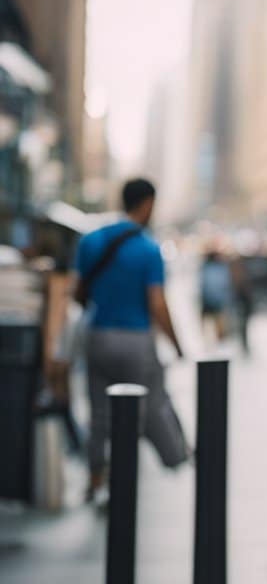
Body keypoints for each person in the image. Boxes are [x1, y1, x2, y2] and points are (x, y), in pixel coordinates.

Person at [74, 178, 188, 503]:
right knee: (135, 414)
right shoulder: (149, 249)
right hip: (134, 341)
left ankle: (95, 477)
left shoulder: (91, 240)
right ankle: (123, 481)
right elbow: (157, 304)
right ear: (147, 203)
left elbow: (79, 291)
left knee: (98, 412)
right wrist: (176, 345)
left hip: (97, 335)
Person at [199, 246, 233, 342]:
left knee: (214, 322)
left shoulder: (209, 267)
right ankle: (214, 339)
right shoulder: (217, 267)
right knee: (215, 321)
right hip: (214, 299)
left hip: (213, 299)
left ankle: (216, 339)